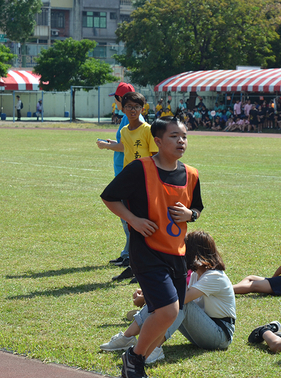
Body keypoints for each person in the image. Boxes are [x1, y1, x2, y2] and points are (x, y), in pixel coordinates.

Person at [100, 116, 203, 378]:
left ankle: (135, 362)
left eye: (184, 136)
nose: (181, 141)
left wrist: (190, 214)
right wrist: (133, 219)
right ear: (157, 141)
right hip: (146, 250)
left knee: (170, 314)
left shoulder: (190, 174)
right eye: (173, 136)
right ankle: (134, 359)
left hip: (177, 253)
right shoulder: (140, 168)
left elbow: (197, 208)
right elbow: (109, 197)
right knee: (168, 310)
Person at [100, 231, 235, 362]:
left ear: (195, 253)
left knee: (179, 302)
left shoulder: (214, 277)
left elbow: (179, 299)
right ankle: (127, 337)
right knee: (168, 303)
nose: (181, 253)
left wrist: (148, 297)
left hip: (221, 335)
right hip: (205, 329)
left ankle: (154, 348)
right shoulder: (196, 275)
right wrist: (148, 292)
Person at [98, 91, 157, 280]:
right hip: (128, 180)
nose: (133, 110)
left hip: (145, 182)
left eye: (137, 107)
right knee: (130, 223)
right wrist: (108, 146)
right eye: (129, 106)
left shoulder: (148, 130)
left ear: (142, 109)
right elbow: (125, 147)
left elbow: (155, 155)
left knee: (142, 223)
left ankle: (143, 267)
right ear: (122, 108)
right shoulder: (124, 131)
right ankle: (133, 265)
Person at [233, 214, 281, 296]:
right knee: (250, 278)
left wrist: (271, 281)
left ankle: (224, 290)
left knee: (254, 285)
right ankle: (229, 289)